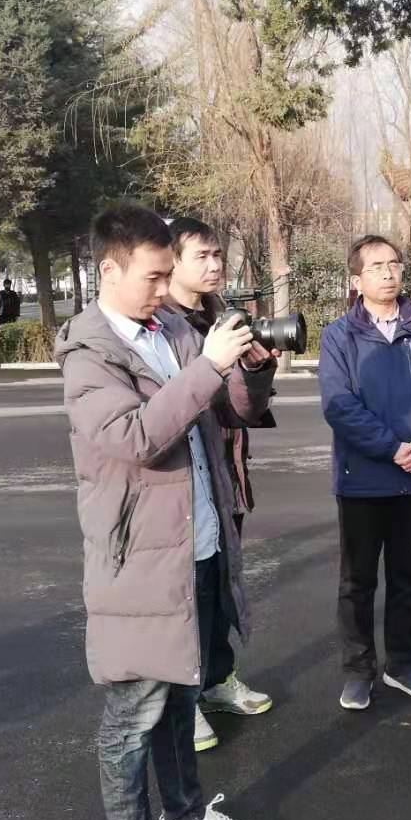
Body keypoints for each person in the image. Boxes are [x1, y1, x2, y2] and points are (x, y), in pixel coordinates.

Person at [54, 203, 278, 820]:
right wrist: (208, 366)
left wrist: (250, 370)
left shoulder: (172, 331)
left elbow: (231, 415)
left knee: (182, 695)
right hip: (138, 563)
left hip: (198, 543)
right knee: (132, 718)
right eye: (153, 277)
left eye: (166, 275)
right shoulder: (89, 354)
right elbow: (136, 437)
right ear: (109, 269)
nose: (163, 289)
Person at [318, 234, 411, 711]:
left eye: (394, 264)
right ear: (356, 280)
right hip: (362, 479)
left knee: (406, 576)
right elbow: (339, 406)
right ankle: (358, 671)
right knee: (357, 582)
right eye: (376, 266)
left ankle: (402, 665)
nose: (388, 272)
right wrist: (392, 447)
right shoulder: (339, 336)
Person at [167, 216, 277, 754]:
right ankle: (180, 701)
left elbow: (242, 412)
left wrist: (258, 372)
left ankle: (215, 679)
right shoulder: (161, 327)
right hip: (178, 483)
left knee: (216, 584)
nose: (214, 265)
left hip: (223, 475)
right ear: (169, 261)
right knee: (183, 596)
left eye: (218, 255)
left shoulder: (221, 316)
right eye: (202, 256)